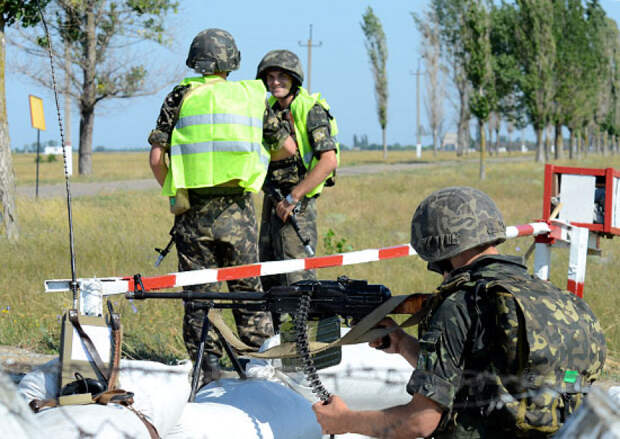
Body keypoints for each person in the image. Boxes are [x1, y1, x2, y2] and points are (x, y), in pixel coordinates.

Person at [312, 186, 606, 438]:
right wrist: (401, 343)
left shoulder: (462, 302)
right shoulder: (549, 295)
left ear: (437, 247)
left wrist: (344, 420)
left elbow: (419, 421)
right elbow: (482, 377)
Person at [148, 29, 295, 384]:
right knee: (247, 291)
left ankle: (207, 367)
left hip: (191, 217)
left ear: (195, 59)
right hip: (238, 218)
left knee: (199, 295)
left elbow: (157, 158)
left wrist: (175, 192)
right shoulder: (250, 97)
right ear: (232, 60)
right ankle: (260, 365)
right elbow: (288, 149)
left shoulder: (180, 96)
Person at [255, 49, 339, 328]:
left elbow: (328, 160)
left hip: (296, 205)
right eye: (270, 77)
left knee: (298, 278)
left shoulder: (309, 109)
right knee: (268, 274)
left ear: (293, 79)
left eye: (281, 77)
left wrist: (293, 197)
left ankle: (309, 344)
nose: (275, 82)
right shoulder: (267, 109)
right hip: (273, 200)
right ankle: (275, 344)